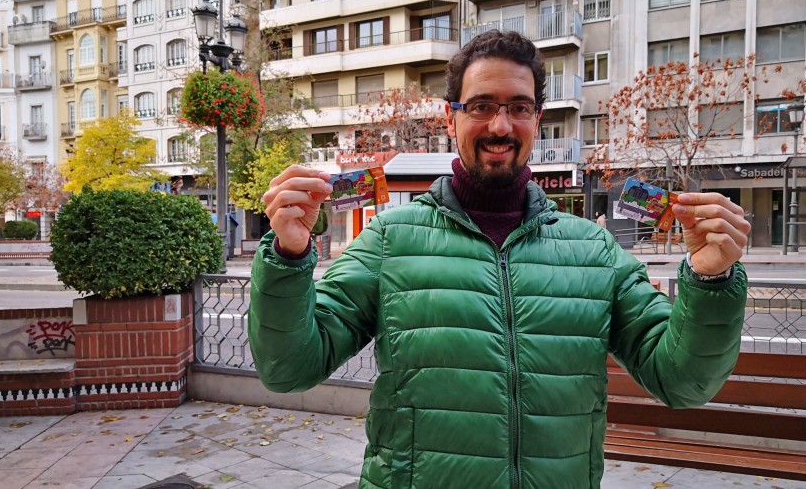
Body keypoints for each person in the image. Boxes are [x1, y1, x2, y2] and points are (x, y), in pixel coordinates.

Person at [249, 30, 750, 489]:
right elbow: (289, 369)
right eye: (482, 106)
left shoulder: (593, 250)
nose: (500, 125)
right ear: (451, 118)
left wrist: (711, 279)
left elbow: (683, 383)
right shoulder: (390, 240)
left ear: (538, 118)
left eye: (519, 107)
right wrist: (289, 255)